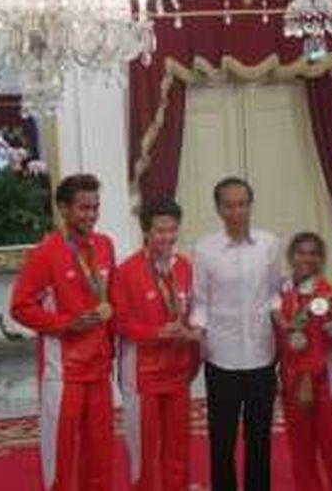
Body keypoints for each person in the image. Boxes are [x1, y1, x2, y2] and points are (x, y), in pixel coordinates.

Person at [10, 173, 115, 491]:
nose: (91, 215)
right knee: (61, 453)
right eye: (84, 208)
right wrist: (65, 324)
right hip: (63, 372)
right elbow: (20, 307)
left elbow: (113, 296)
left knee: (100, 452)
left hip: (99, 368)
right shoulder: (46, 253)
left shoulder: (105, 245)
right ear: (64, 209)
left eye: (95, 207)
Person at [192, 177, 282, 491]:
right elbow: (201, 302)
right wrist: (199, 336)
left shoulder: (269, 243)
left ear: (250, 205)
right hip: (221, 358)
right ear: (219, 209)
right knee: (222, 439)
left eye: (242, 204)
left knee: (260, 437)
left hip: (261, 355)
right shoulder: (204, 249)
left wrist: (285, 326)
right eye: (229, 205)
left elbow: (274, 294)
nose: (237, 211)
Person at [113, 199, 201, 491]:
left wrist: (190, 331)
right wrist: (156, 332)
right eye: (160, 231)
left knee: (178, 446)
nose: (167, 237)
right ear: (146, 232)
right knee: (145, 451)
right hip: (141, 375)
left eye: (172, 230)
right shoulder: (127, 271)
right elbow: (118, 322)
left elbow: (196, 311)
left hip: (177, 372)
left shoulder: (186, 267)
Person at [272, 232, 332, 491]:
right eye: (301, 252)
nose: (307, 258)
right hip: (291, 378)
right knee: (301, 452)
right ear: (291, 256)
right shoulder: (280, 292)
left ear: (321, 259)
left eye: (313, 253)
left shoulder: (326, 293)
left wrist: (329, 317)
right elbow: (277, 338)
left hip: (326, 383)